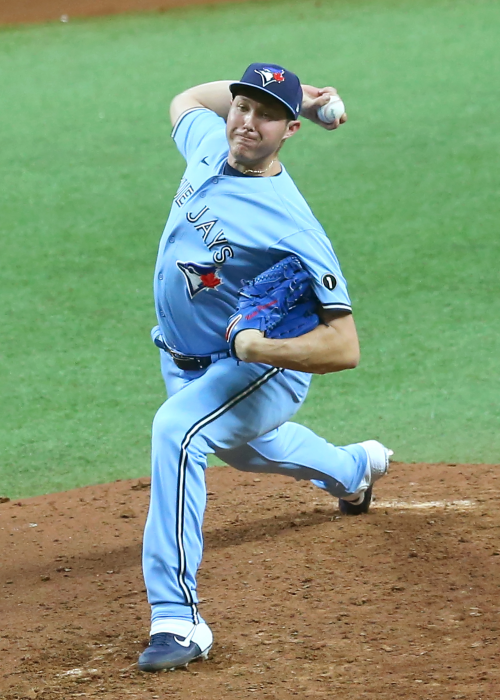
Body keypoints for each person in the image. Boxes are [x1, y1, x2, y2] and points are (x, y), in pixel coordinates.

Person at [138, 63, 392, 673]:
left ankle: (178, 619)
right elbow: (185, 98)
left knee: (178, 432)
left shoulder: (291, 223)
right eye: (243, 107)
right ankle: (353, 469)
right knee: (250, 450)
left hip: (259, 368)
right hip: (186, 359)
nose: (248, 123)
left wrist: (262, 351)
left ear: (290, 131)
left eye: (268, 115)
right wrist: (293, 95)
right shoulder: (210, 142)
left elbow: (344, 346)